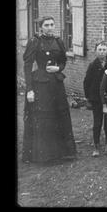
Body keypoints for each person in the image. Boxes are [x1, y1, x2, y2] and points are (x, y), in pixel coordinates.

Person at [22, 16, 77, 163]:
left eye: (52, 24)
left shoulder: (58, 40)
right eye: (46, 25)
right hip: (40, 83)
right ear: (40, 27)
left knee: (60, 114)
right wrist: (29, 89)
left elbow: (63, 61)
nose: (50, 27)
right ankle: (45, 155)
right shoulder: (35, 41)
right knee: (44, 117)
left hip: (56, 83)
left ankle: (64, 153)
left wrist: (58, 68)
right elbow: (27, 66)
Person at [83, 41, 107, 157]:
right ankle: (96, 145)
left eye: (104, 50)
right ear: (96, 51)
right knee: (97, 122)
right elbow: (87, 82)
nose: (102, 52)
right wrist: (88, 98)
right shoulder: (93, 65)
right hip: (96, 98)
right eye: (100, 50)